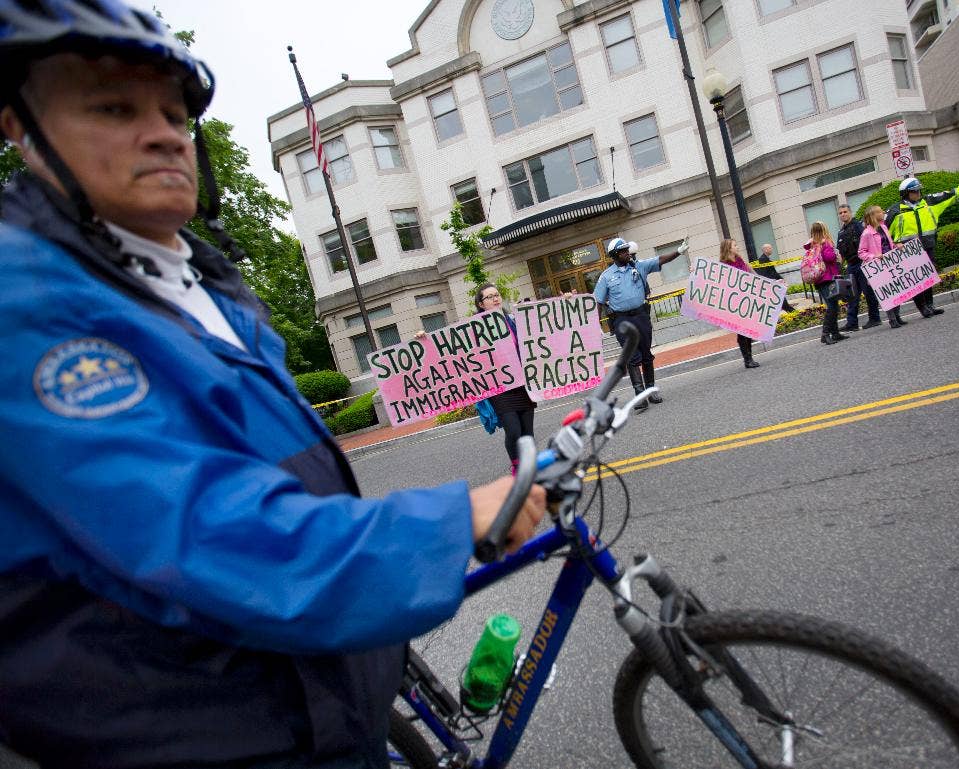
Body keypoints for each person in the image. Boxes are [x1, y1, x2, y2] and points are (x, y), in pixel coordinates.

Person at [0, 4, 545, 768]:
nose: (163, 132)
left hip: (312, 699)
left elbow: (279, 483)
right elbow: (210, 534)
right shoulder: (25, 303)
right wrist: (453, 524)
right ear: (19, 125)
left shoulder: (199, 281)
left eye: (171, 111)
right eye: (114, 107)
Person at [593, 236, 685, 411]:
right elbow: (598, 301)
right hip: (622, 320)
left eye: (627, 250)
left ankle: (651, 391)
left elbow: (660, 260)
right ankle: (639, 394)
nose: (627, 253)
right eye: (623, 251)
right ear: (614, 254)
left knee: (646, 354)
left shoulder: (639, 266)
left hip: (641, 316)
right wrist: (595, 325)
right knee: (632, 357)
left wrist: (678, 252)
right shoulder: (606, 277)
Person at [885, 174, 959, 316]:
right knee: (916, 280)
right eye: (915, 191)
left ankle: (930, 305)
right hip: (908, 251)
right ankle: (923, 308)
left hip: (928, 246)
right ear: (905, 194)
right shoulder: (894, 211)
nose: (918, 193)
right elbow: (883, 232)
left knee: (928, 277)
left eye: (919, 190)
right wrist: (895, 243)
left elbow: (950, 194)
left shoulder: (929, 202)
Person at [475, 282, 537, 474]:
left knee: (527, 431)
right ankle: (517, 465)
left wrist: (566, 301)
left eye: (497, 294)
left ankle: (531, 465)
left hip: (521, 383)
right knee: (513, 430)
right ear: (481, 304)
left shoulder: (511, 320)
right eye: (489, 297)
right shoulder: (474, 328)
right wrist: (424, 338)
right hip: (500, 387)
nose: (495, 298)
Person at [859, 205, 907, 329]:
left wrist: (897, 246)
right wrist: (874, 256)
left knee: (896, 290)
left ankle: (897, 316)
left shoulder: (884, 227)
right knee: (887, 293)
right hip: (879, 267)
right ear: (873, 215)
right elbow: (861, 253)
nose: (883, 212)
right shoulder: (866, 233)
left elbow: (889, 244)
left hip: (891, 263)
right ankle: (892, 319)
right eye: (880, 211)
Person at [835, 203, 881, 331]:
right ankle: (852, 323)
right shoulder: (841, 232)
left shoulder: (859, 226)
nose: (843, 214)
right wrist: (838, 268)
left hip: (862, 263)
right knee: (852, 296)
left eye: (845, 212)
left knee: (868, 292)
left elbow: (869, 242)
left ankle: (875, 318)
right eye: (840, 213)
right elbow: (841, 253)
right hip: (850, 266)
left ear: (850, 212)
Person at [804, 221, 847, 345]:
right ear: (824, 229)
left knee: (832, 305)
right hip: (827, 277)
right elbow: (830, 258)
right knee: (832, 306)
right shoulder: (825, 243)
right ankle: (825, 334)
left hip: (818, 278)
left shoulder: (811, 245)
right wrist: (833, 251)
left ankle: (835, 333)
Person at [720, 239, 761, 369]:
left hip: (746, 300)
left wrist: (771, 283)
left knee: (747, 330)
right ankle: (747, 359)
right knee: (742, 331)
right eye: (735, 245)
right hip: (734, 303)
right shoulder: (723, 265)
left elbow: (754, 275)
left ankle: (749, 358)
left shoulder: (741, 260)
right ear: (728, 248)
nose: (737, 247)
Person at [752, 243, 794, 313]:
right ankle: (793, 313)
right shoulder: (763, 260)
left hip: (773, 283)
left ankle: (792, 312)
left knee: (781, 301)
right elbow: (767, 273)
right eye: (770, 248)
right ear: (765, 250)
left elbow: (773, 272)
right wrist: (775, 280)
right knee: (781, 301)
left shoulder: (766, 259)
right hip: (771, 284)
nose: (772, 249)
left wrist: (780, 279)